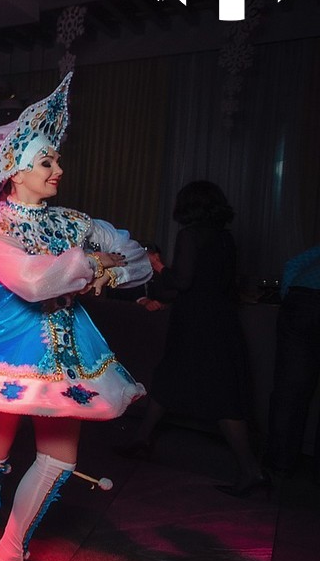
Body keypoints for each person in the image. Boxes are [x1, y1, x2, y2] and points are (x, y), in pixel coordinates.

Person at [0, 72, 152, 561]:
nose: (58, 170)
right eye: (46, 162)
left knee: (59, 461)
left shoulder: (74, 222)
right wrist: (95, 263)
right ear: (14, 170)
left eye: (56, 160)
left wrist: (113, 267)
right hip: (9, 347)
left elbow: (139, 259)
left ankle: (10, 557)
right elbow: (32, 282)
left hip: (68, 354)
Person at [120, 182, 263, 495]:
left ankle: (251, 470)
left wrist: (157, 264)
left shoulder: (190, 235)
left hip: (198, 323)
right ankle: (142, 438)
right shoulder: (225, 237)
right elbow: (213, 282)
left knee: (219, 394)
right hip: (220, 319)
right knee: (171, 376)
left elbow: (183, 281)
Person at [265, 243, 320, 478]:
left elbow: (292, 264)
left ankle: (280, 464)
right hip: (303, 301)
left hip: (302, 299)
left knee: (289, 390)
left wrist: (289, 299)